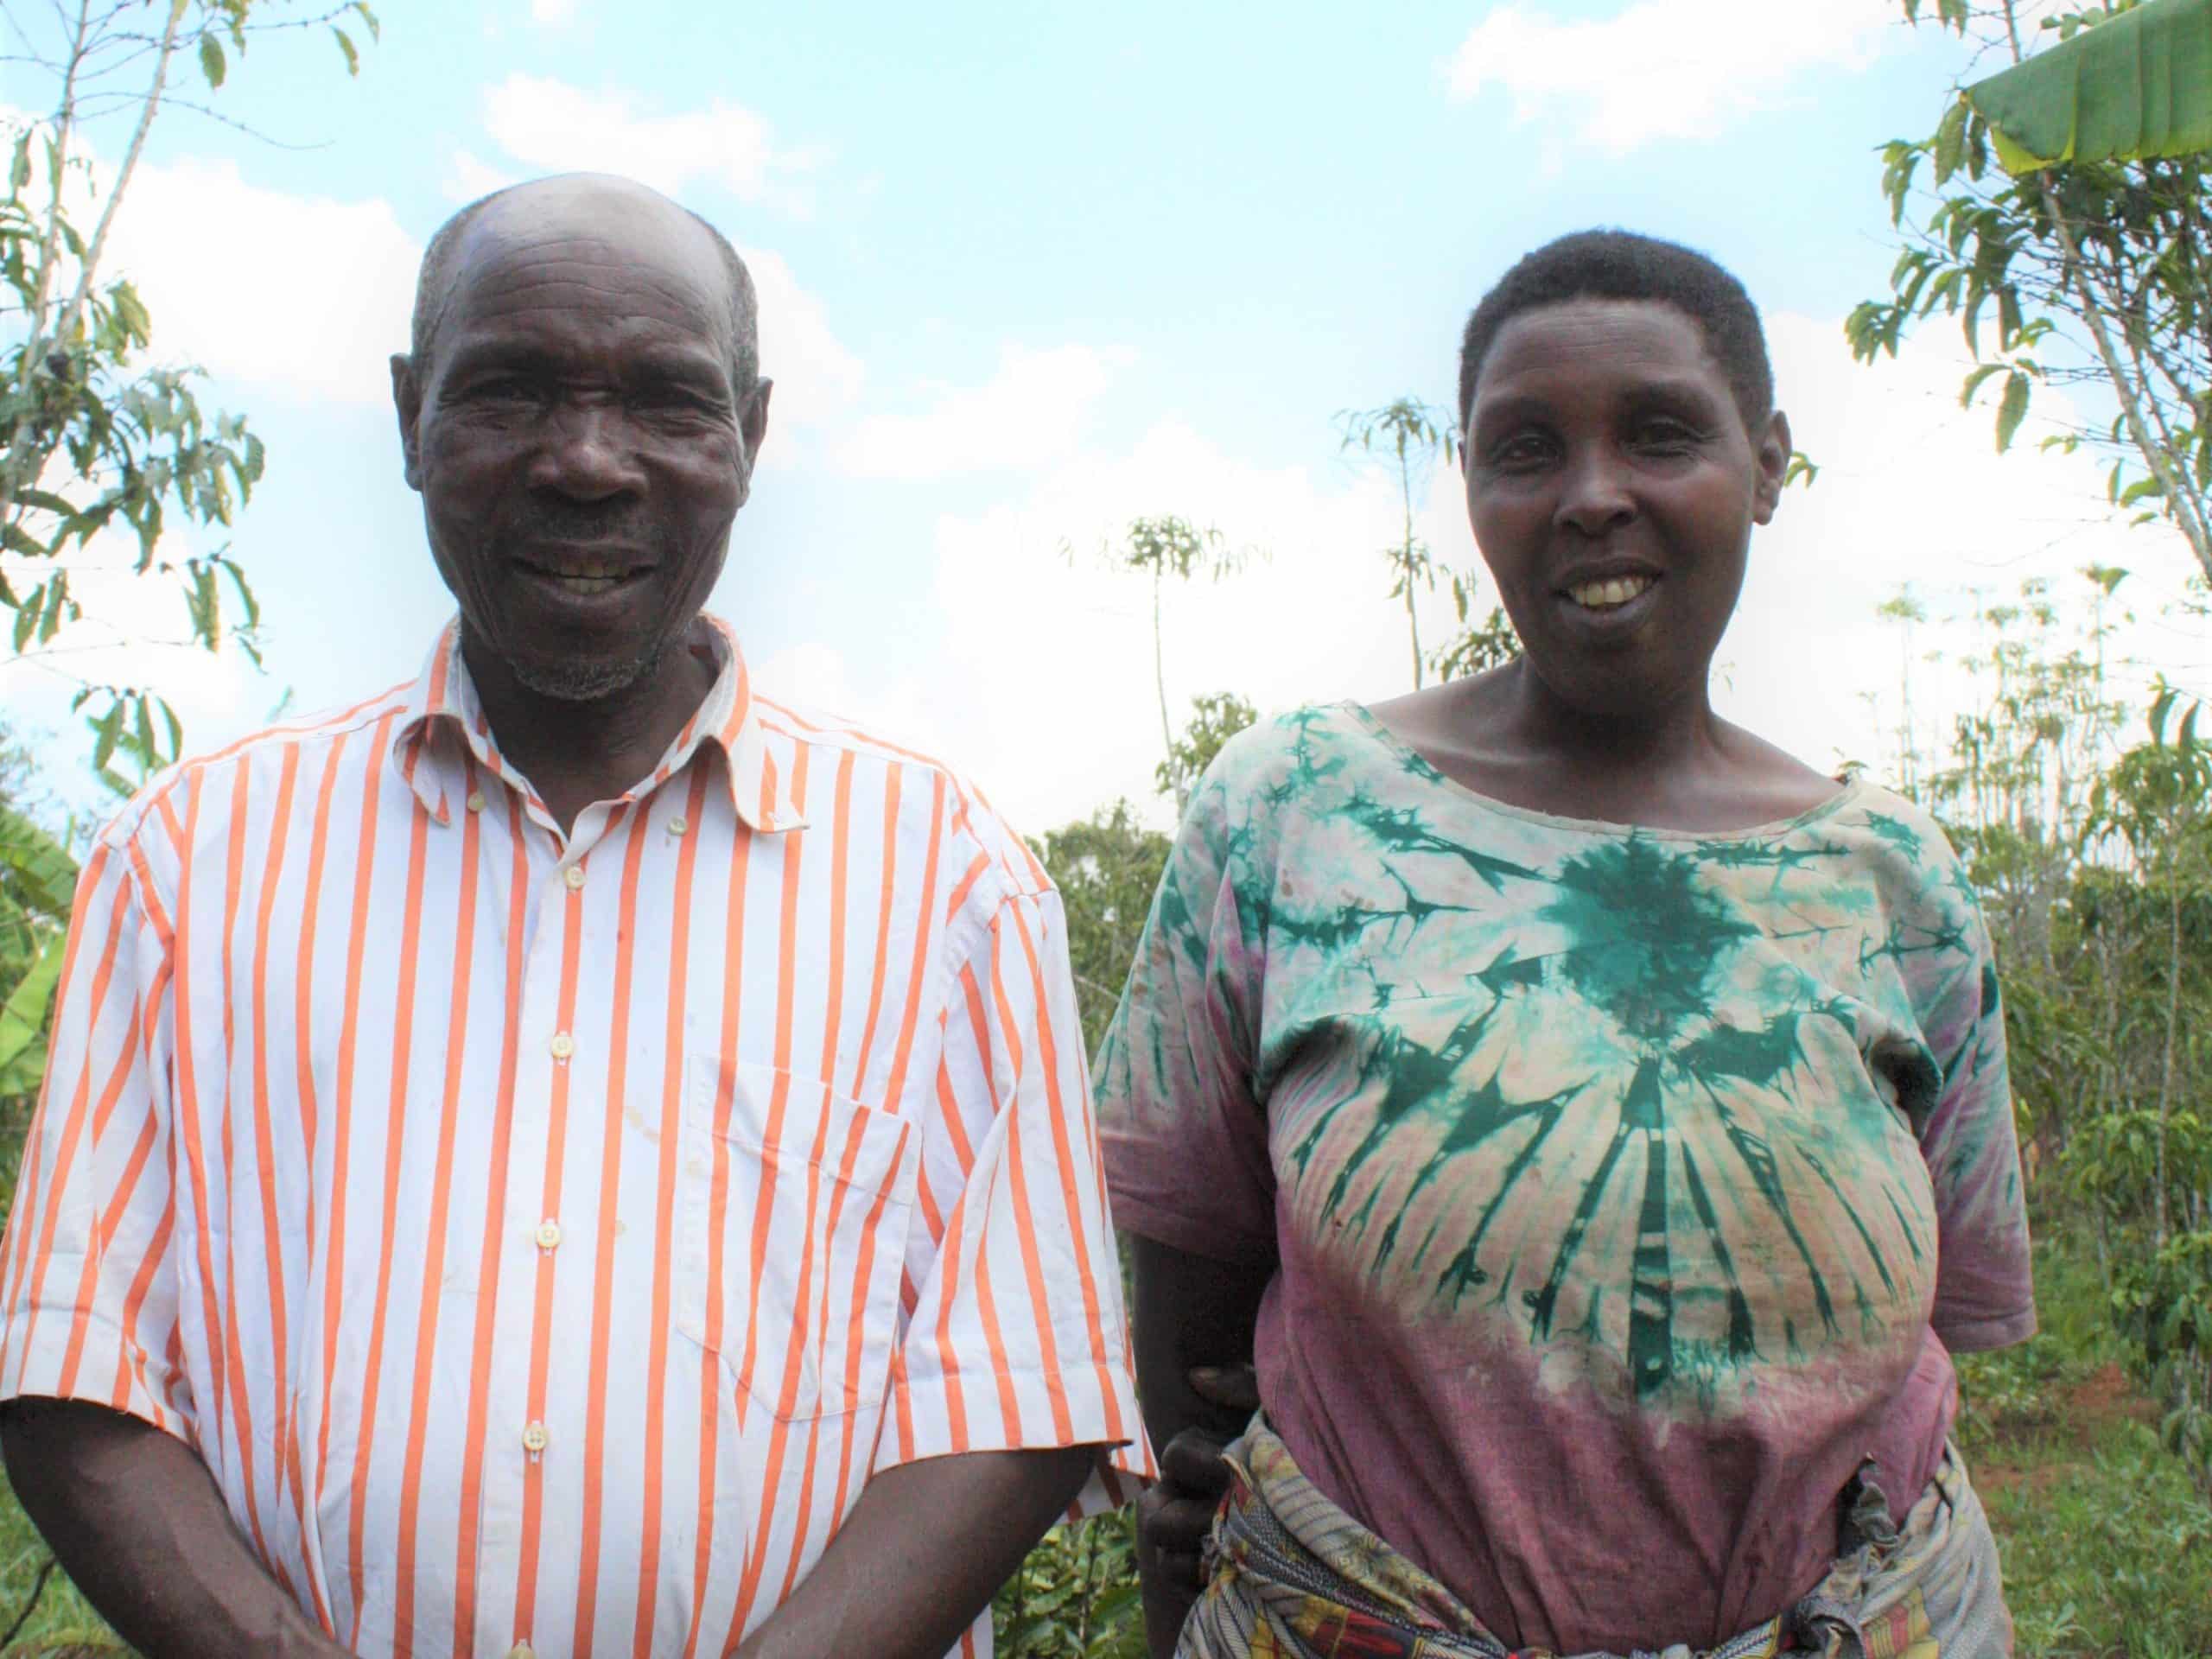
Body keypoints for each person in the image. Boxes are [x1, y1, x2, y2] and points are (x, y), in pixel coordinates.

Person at [0, 172, 1142, 1659]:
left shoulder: (953, 882)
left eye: (667, 401)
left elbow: (1018, 1397)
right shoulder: (187, 858)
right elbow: (74, 1378)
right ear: (413, 418)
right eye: (512, 390)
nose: (588, 463)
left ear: (752, 437)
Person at [1097, 231, 2034, 1658]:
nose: (1595, 498)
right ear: (1469, 485)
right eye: (1524, 450)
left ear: (1768, 464)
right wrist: (1189, 1547)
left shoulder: (1891, 876)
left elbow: (1930, 1337)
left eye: (1660, 435)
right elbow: (1190, 1291)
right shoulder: (1297, 811)